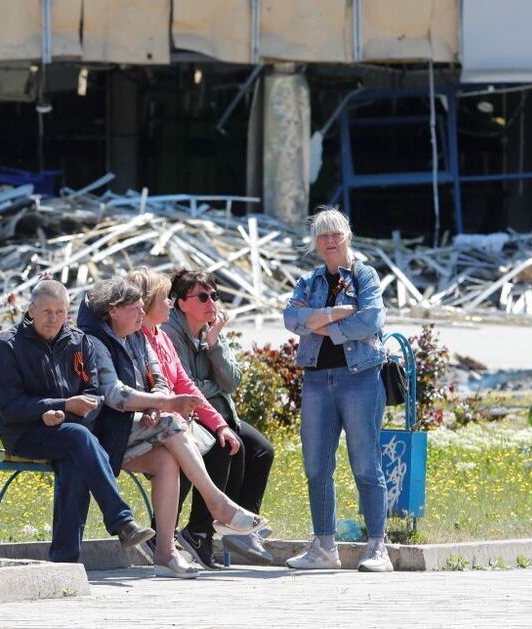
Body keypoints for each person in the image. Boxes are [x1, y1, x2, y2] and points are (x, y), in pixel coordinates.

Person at [76, 276, 268, 577]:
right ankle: (217, 504)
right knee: (173, 422)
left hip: (137, 428)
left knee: (168, 460)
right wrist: (161, 406)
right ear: (113, 311)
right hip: (104, 434)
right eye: (135, 309)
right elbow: (113, 395)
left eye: (143, 307)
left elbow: (161, 380)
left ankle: (165, 553)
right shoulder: (96, 341)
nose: (142, 314)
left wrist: (156, 403)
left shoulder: (139, 336)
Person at [0, 279, 155, 564]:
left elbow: (93, 396)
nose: (54, 319)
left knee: (75, 459)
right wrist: (56, 408)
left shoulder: (80, 342)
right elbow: (8, 407)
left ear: (68, 312)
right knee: (78, 441)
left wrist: (64, 414)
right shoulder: (7, 347)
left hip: (70, 431)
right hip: (24, 432)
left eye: (60, 312)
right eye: (46, 311)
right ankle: (121, 521)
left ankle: (64, 562)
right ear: (31, 310)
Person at [282, 206, 393, 573]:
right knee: (316, 465)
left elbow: (372, 320)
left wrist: (321, 325)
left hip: (359, 376)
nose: (330, 241)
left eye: (336, 234)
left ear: (348, 237)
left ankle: (378, 547)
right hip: (317, 377)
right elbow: (290, 319)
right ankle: (323, 546)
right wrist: (335, 314)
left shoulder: (365, 275)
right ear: (315, 242)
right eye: (323, 235)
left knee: (365, 464)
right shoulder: (309, 281)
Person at [127, 267, 259, 570]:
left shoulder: (160, 337)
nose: (170, 304)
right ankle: (203, 523)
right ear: (147, 303)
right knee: (197, 446)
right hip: (148, 425)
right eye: (165, 299)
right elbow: (159, 390)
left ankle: (198, 531)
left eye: (215, 295)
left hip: (171, 420)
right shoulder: (141, 338)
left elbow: (213, 383)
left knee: (231, 442)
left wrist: (221, 424)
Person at [162, 268, 275, 568]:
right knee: (226, 446)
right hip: (185, 414)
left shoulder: (208, 330)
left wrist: (213, 342)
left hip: (217, 412)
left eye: (214, 295)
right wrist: (211, 386)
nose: (211, 302)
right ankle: (199, 531)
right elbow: (184, 387)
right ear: (181, 303)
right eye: (202, 296)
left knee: (263, 450)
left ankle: (240, 530)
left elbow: (232, 381)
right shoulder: (171, 333)